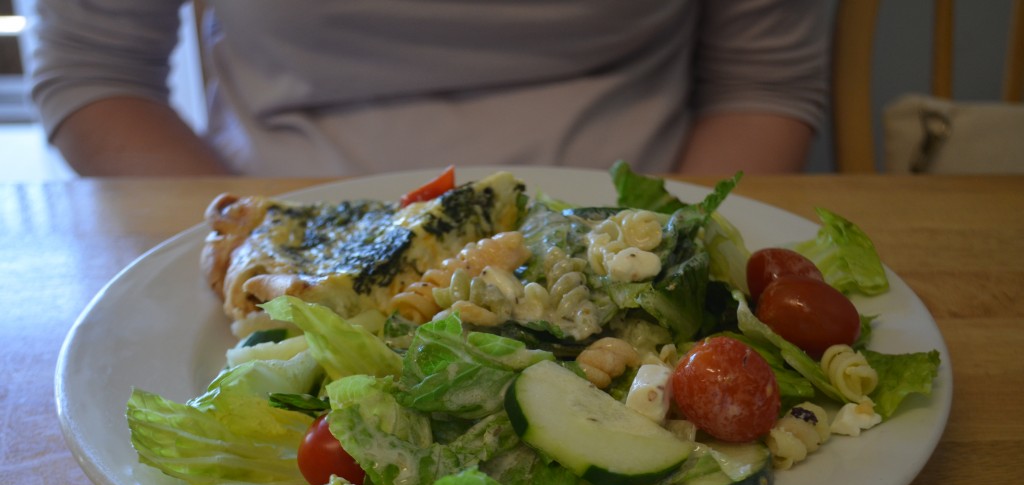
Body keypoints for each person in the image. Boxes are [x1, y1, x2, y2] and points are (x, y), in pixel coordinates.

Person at [27, 0, 829, 178]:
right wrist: (250, 259)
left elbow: (760, 85)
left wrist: (665, 268)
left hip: (632, 240)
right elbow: (96, 75)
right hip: (282, 257)